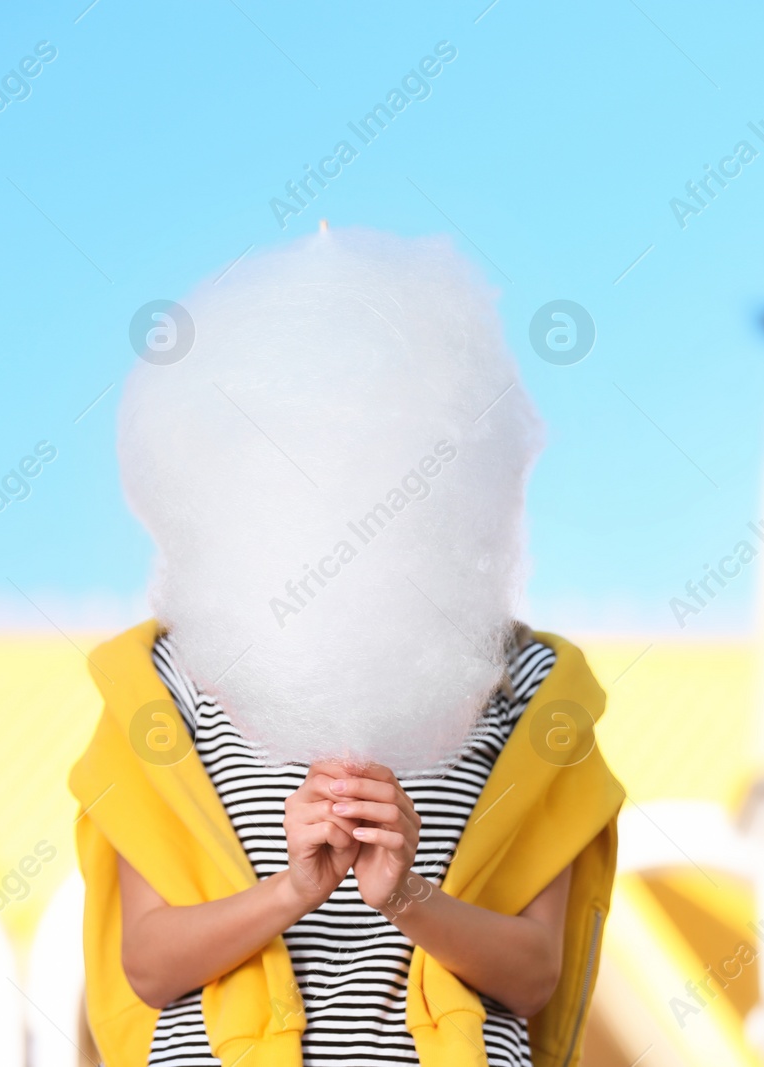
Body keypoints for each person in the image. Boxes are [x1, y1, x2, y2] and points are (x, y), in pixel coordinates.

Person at [70, 228, 623, 1067]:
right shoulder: (164, 685)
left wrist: (404, 892)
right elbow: (149, 965)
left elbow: (532, 975)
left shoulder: (529, 688)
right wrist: (295, 888)